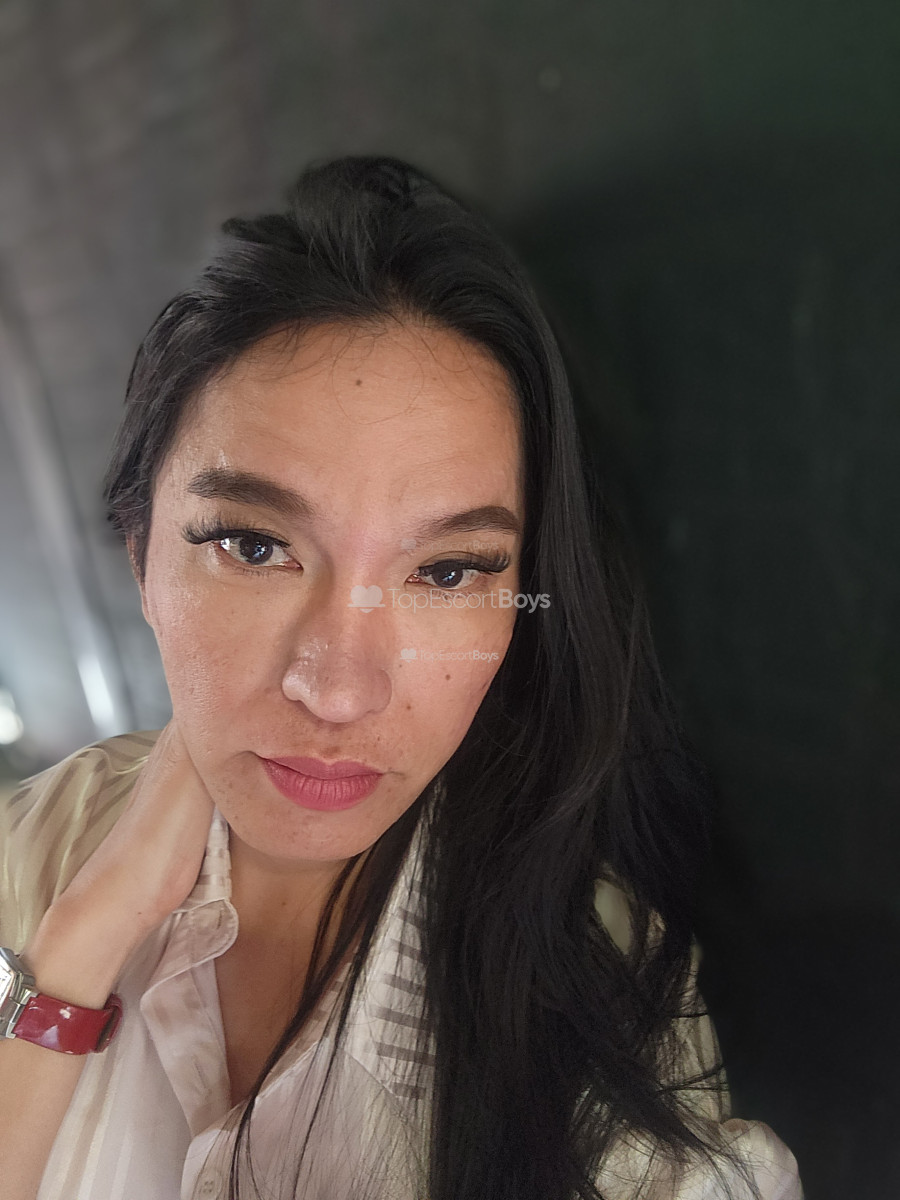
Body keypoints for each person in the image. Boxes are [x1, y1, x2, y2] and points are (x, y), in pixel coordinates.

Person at [0, 155, 803, 1200]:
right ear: (139, 557)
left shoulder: (600, 984)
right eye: (254, 546)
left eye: (449, 572)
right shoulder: (29, 843)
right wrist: (81, 944)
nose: (339, 692)